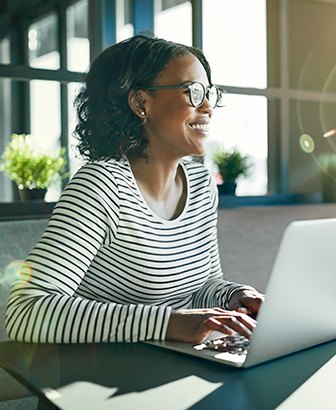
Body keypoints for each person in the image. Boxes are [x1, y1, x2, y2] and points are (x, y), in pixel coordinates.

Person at [5, 33, 264, 344]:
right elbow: (26, 310)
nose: (208, 107)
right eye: (193, 92)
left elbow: (202, 285)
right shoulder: (100, 186)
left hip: (178, 365)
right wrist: (168, 323)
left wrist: (234, 296)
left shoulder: (201, 184)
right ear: (141, 102)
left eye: (209, 93)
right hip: (102, 377)